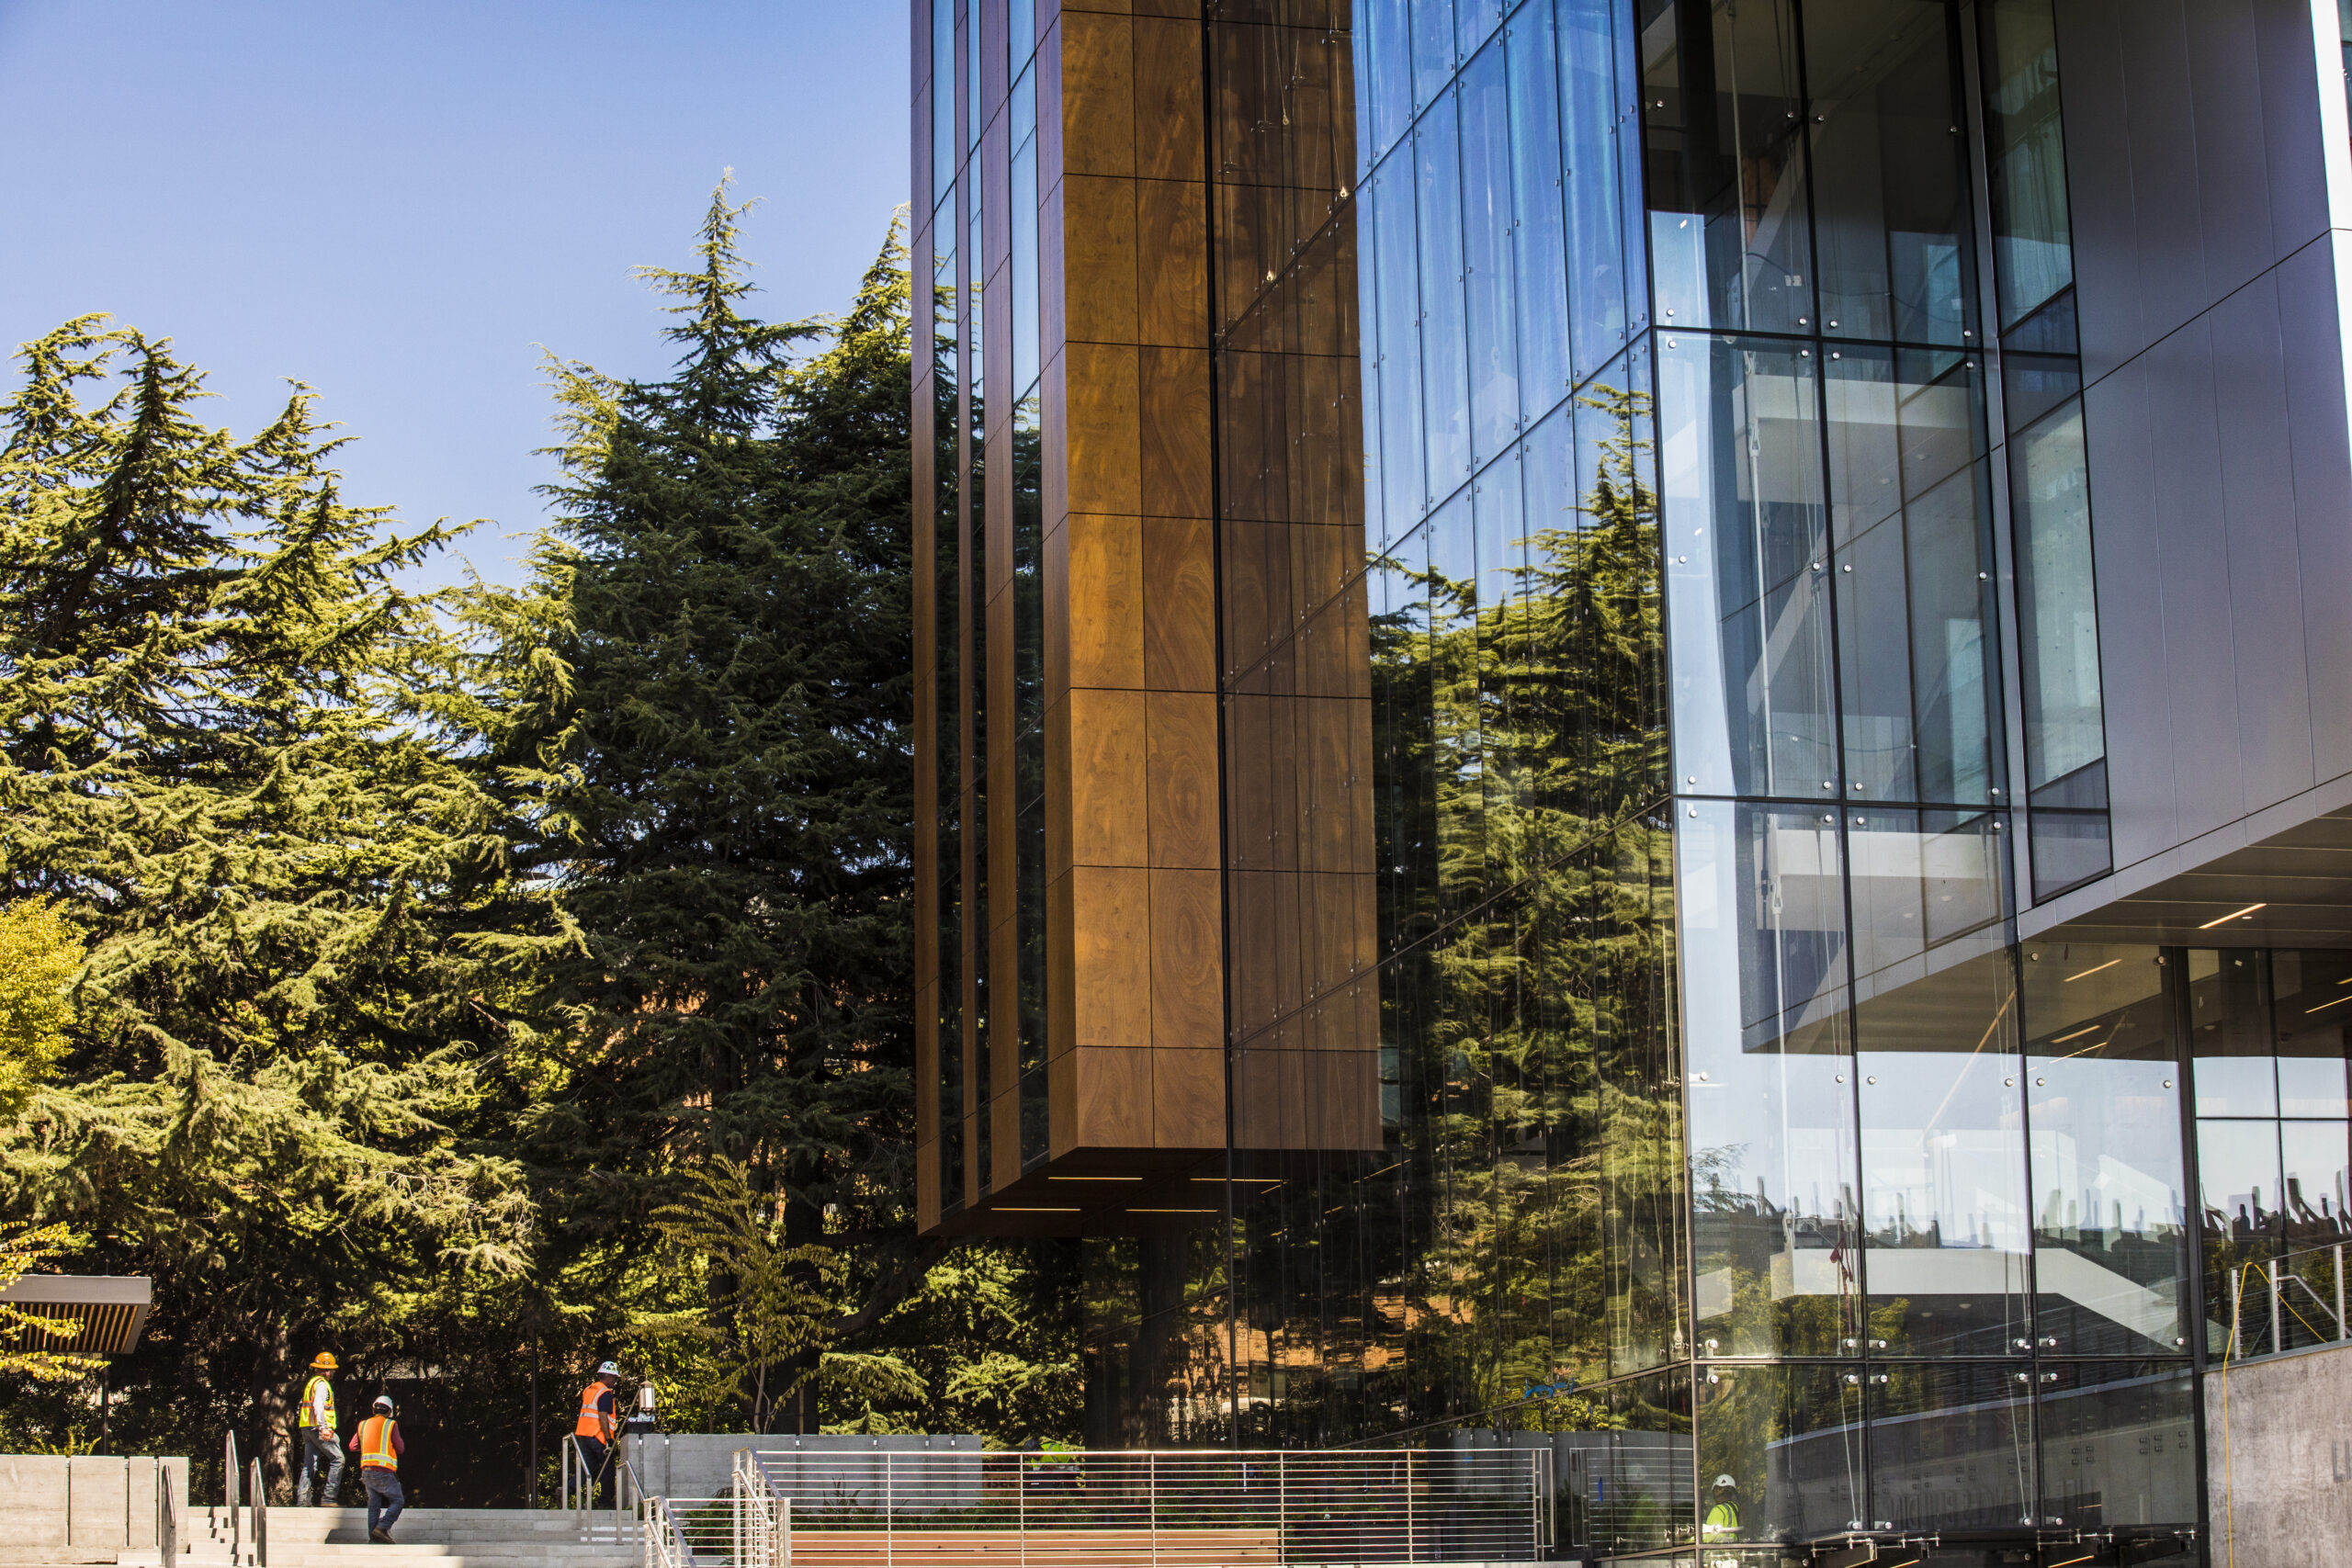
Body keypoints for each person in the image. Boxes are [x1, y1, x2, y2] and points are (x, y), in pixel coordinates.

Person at [347, 1394, 405, 1544]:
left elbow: (352, 1446)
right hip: (384, 1471)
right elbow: (400, 1448)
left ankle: (374, 1539)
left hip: (366, 1471)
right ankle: (382, 1526)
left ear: (374, 1409)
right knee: (398, 1500)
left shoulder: (363, 1424)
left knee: (374, 1505)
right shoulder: (391, 1424)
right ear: (389, 1411)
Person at [294, 1352, 343, 1507]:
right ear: (327, 1370)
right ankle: (329, 1498)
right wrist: (324, 1427)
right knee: (338, 1459)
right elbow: (318, 1406)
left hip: (307, 1428)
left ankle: (302, 1499)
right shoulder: (322, 1384)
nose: (333, 1373)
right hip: (317, 1428)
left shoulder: (312, 1383)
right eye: (332, 1370)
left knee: (309, 1464)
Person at [573, 1360, 621, 1506]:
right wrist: (608, 1438)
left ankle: (568, 1489)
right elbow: (602, 1416)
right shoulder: (605, 1393)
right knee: (607, 1468)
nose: (614, 1382)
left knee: (586, 1468)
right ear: (608, 1377)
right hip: (598, 1436)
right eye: (614, 1378)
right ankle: (605, 1501)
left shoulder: (589, 1390)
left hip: (585, 1435)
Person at [1702, 1474, 1741, 1543]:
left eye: (1717, 1490)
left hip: (1719, 1550)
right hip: (1733, 1549)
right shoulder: (1734, 1508)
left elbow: (1709, 1537)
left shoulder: (1718, 1510)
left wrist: (1693, 1539)